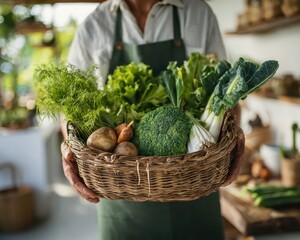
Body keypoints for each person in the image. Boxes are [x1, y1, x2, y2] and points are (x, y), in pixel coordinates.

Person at [61, 0, 245, 239]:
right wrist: (70, 147)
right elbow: (69, 108)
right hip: (122, 199)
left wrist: (235, 135)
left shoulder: (198, 13)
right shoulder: (94, 26)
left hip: (196, 188)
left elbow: (226, 91)